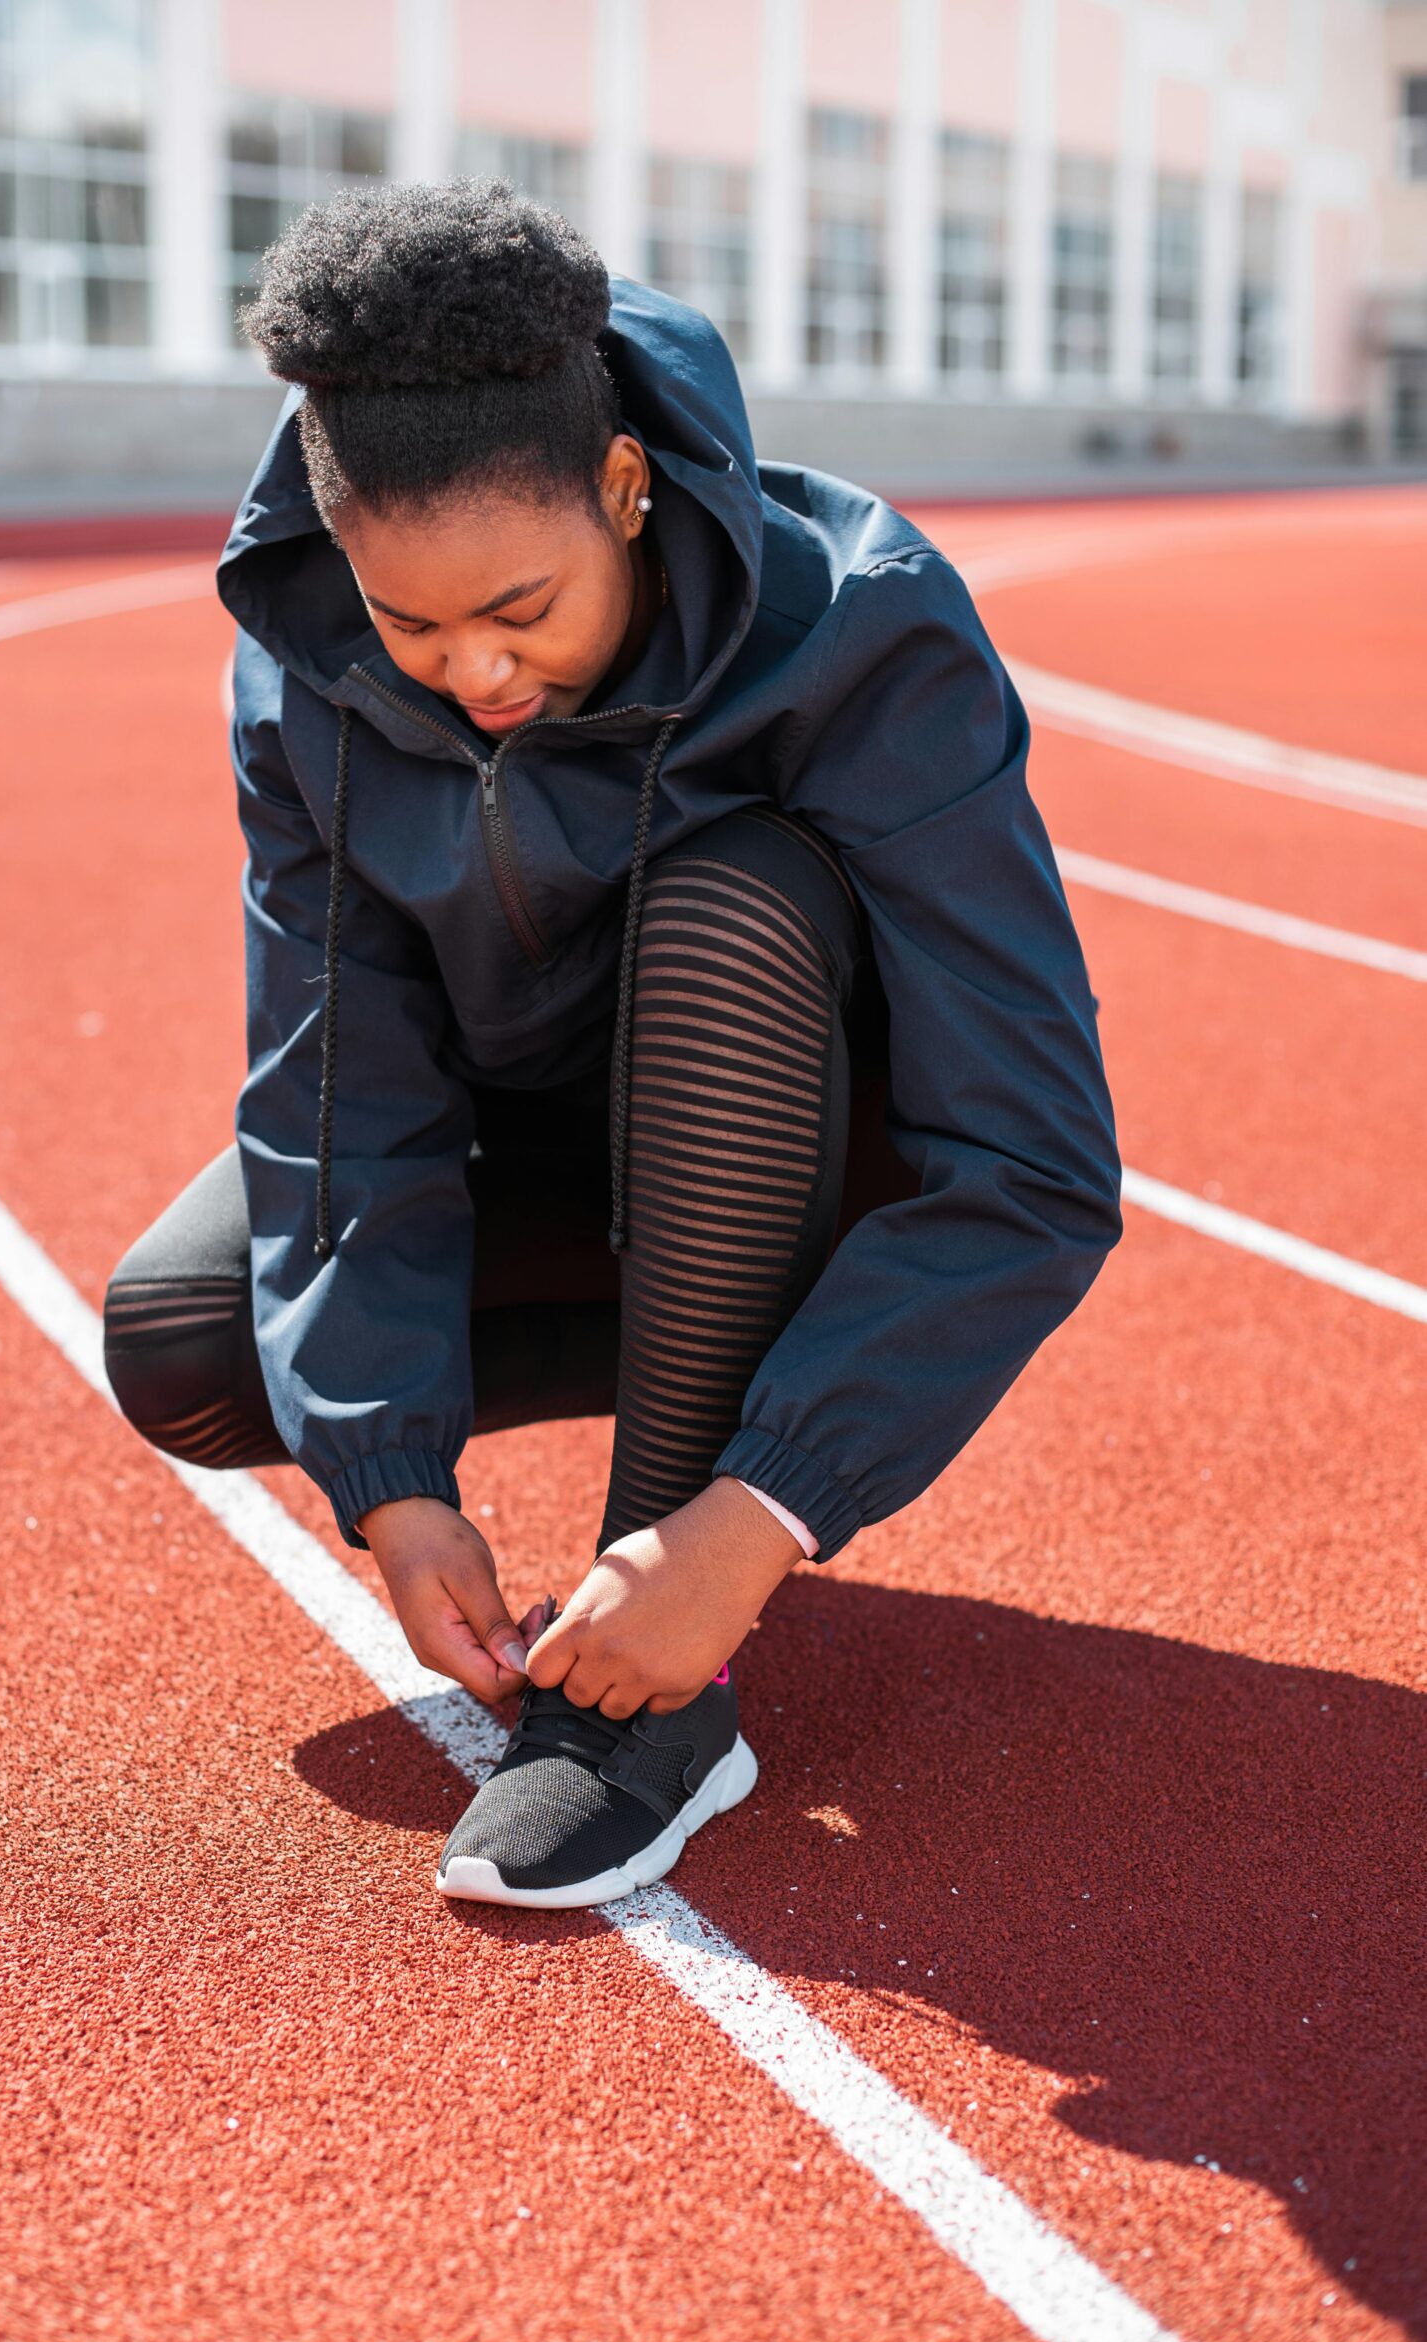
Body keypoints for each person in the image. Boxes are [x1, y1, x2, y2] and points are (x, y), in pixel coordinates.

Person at [104, 181, 1122, 1910]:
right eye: (413, 625)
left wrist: (750, 1518)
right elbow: (334, 1076)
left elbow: (1033, 1157)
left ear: (626, 492)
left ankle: (653, 1699)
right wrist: (392, 1480)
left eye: (518, 607)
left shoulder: (857, 629)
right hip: (555, 1133)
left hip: (808, 1125)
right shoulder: (308, 668)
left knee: (732, 898)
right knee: (192, 1346)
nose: (471, 672)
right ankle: (690, 1420)